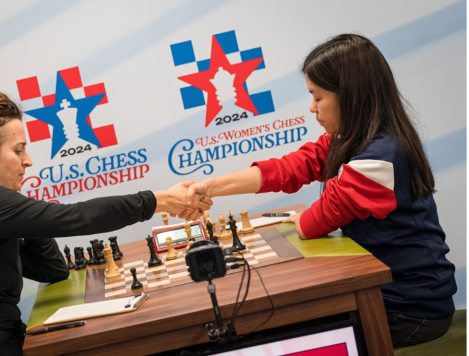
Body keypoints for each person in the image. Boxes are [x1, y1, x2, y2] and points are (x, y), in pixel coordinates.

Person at [185, 34, 456, 348]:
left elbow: (312, 224)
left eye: (318, 96)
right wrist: (208, 187)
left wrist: (301, 218)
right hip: (386, 293)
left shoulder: (379, 156)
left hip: (410, 311)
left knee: (271, 331)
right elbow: (290, 168)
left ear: (351, 96)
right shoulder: (352, 139)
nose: (312, 107)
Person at [0, 89, 212, 356]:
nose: (28, 161)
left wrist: (29, 216)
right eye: (18, 150)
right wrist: (155, 200)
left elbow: (53, 270)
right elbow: (76, 217)